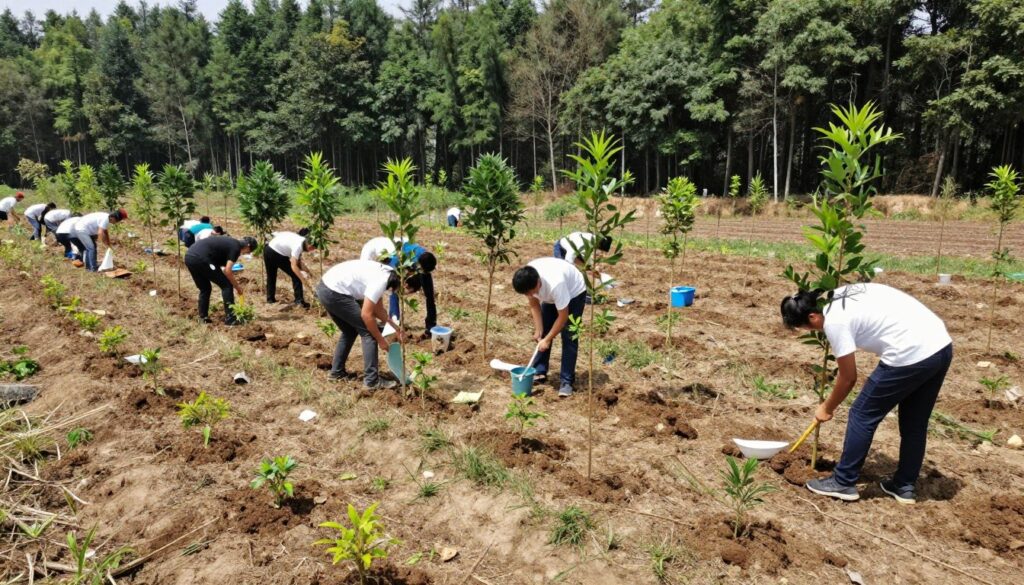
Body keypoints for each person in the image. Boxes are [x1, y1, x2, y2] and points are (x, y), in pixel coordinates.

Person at [780, 283, 953, 504]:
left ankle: (843, 482)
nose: (817, 332)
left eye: (810, 329)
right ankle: (904, 485)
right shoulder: (840, 293)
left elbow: (848, 377)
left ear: (813, 317)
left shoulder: (834, 320)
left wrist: (827, 407)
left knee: (862, 414)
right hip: (940, 345)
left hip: (909, 352)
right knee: (914, 423)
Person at [316, 259, 422, 389]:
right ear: (405, 284)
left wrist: (396, 328)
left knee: (349, 331)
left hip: (326, 288)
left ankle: (336, 373)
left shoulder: (387, 274)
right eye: (408, 292)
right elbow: (366, 315)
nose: (404, 295)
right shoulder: (381, 281)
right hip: (335, 292)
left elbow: (378, 310)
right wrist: (381, 340)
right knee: (369, 333)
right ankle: (371, 381)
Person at [512, 257, 587, 398]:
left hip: (574, 292)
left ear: (538, 282)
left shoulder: (555, 284)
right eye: (526, 294)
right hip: (553, 295)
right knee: (544, 331)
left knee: (569, 336)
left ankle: (567, 381)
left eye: (531, 292)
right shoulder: (528, 280)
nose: (530, 295)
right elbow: (534, 305)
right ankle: (540, 371)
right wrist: (539, 330)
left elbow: (563, 317)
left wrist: (547, 339)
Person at [184, 235, 256, 325]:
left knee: (205, 288)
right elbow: (228, 271)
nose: (246, 254)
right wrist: (237, 287)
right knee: (227, 286)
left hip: (189, 257)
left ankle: (203, 318)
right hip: (201, 258)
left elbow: (220, 262)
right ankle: (231, 318)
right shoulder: (236, 248)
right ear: (248, 246)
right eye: (249, 252)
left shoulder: (231, 242)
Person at [385, 242, 438, 336]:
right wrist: (403, 280)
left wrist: (416, 286)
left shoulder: (426, 259)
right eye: (423, 270)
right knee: (395, 291)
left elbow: (423, 273)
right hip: (400, 265)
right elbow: (395, 270)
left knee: (430, 296)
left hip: (418, 265)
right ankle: (395, 322)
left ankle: (431, 327)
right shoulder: (405, 258)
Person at [265, 229, 315, 308]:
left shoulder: (298, 239)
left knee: (271, 275)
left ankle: (270, 300)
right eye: (311, 247)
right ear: (308, 242)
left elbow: (298, 261)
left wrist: (308, 272)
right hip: (277, 253)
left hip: (268, 249)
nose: (311, 250)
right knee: (296, 275)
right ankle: (299, 301)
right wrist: (302, 278)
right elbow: (294, 266)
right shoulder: (298, 245)